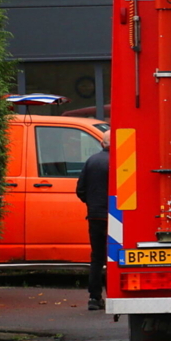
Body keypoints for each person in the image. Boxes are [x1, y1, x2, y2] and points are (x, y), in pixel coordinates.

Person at [76, 133, 110, 311]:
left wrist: (91, 204)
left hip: (95, 215)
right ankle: (113, 294)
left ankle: (94, 298)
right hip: (116, 217)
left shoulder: (91, 161)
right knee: (115, 257)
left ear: (101, 142)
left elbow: (80, 189)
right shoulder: (122, 161)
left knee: (97, 258)